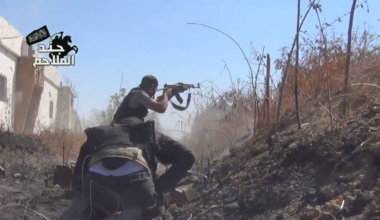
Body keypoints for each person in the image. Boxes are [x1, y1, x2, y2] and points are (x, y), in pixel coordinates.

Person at [62, 75, 195, 220]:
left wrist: (79, 192)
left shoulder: (102, 133)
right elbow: (187, 156)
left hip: (95, 187)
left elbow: (82, 166)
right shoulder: (146, 131)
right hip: (137, 188)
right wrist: (159, 189)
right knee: (156, 209)